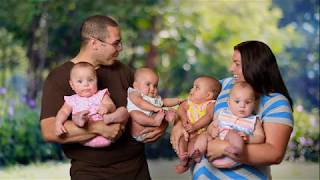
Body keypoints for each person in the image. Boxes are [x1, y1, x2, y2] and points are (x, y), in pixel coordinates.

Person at [40, 15, 167, 179]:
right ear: (94, 43)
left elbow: (150, 103)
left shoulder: (122, 70)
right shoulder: (58, 77)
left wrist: (161, 126)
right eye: (115, 43)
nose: (120, 48)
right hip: (91, 173)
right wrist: (97, 127)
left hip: (137, 169)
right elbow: (49, 130)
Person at [171, 40, 293, 179]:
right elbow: (192, 105)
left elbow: (274, 153)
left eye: (237, 64)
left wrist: (223, 148)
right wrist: (179, 124)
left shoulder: (276, 102)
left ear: (255, 66)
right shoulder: (226, 85)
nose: (231, 68)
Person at [55, 62, 127, 148]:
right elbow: (63, 112)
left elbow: (111, 105)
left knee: (123, 110)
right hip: (85, 135)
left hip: (107, 130)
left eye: (90, 80)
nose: (86, 84)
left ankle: (109, 118)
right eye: (80, 81)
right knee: (75, 117)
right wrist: (58, 123)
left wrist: (106, 107)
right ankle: (81, 120)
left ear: (96, 80)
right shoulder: (72, 100)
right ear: (72, 85)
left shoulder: (101, 95)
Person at [206, 81, 265, 168]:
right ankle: (195, 153)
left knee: (232, 133)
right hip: (213, 154)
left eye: (248, 102)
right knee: (203, 137)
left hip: (234, 157)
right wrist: (212, 130)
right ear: (229, 102)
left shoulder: (254, 121)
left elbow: (260, 137)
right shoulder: (223, 114)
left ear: (254, 104)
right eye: (237, 101)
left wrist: (248, 139)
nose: (242, 105)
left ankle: (236, 149)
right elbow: (211, 127)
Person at [175, 76, 221, 174]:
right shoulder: (189, 102)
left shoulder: (210, 104)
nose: (191, 89)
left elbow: (208, 116)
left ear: (208, 95)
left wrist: (195, 126)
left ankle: (191, 159)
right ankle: (183, 158)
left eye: (197, 88)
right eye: (193, 86)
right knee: (181, 140)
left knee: (195, 145)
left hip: (199, 133)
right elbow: (180, 109)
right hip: (186, 131)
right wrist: (184, 120)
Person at [127, 67, 182, 142]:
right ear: (136, 85)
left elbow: (164, 102)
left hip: (150, 129)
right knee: (134, 114)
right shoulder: (134, 93)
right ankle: (154, 122)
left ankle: (169, 116)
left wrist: (177, 101)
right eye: (148, 84)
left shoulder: (154, 98)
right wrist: (154, 108)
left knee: (163, 111)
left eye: (155, 85)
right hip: (138, 130)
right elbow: (140, 103)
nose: (152, 88)